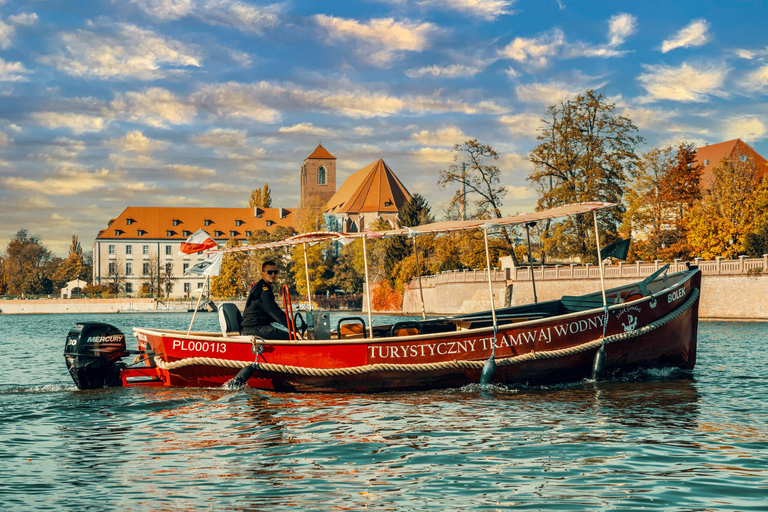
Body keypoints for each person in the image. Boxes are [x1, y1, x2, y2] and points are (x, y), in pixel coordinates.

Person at [241, 261, 297, 340]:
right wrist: (294, 329)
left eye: (275, 272)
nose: (273, 275)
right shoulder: (264, 291)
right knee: (292, 338)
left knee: (289, 335)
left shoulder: (260, 286)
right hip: (254, 329)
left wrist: (291, 326)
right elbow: (274, 311)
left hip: (253, 327)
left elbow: (271, 314)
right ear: (262, 273)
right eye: (270, 272)